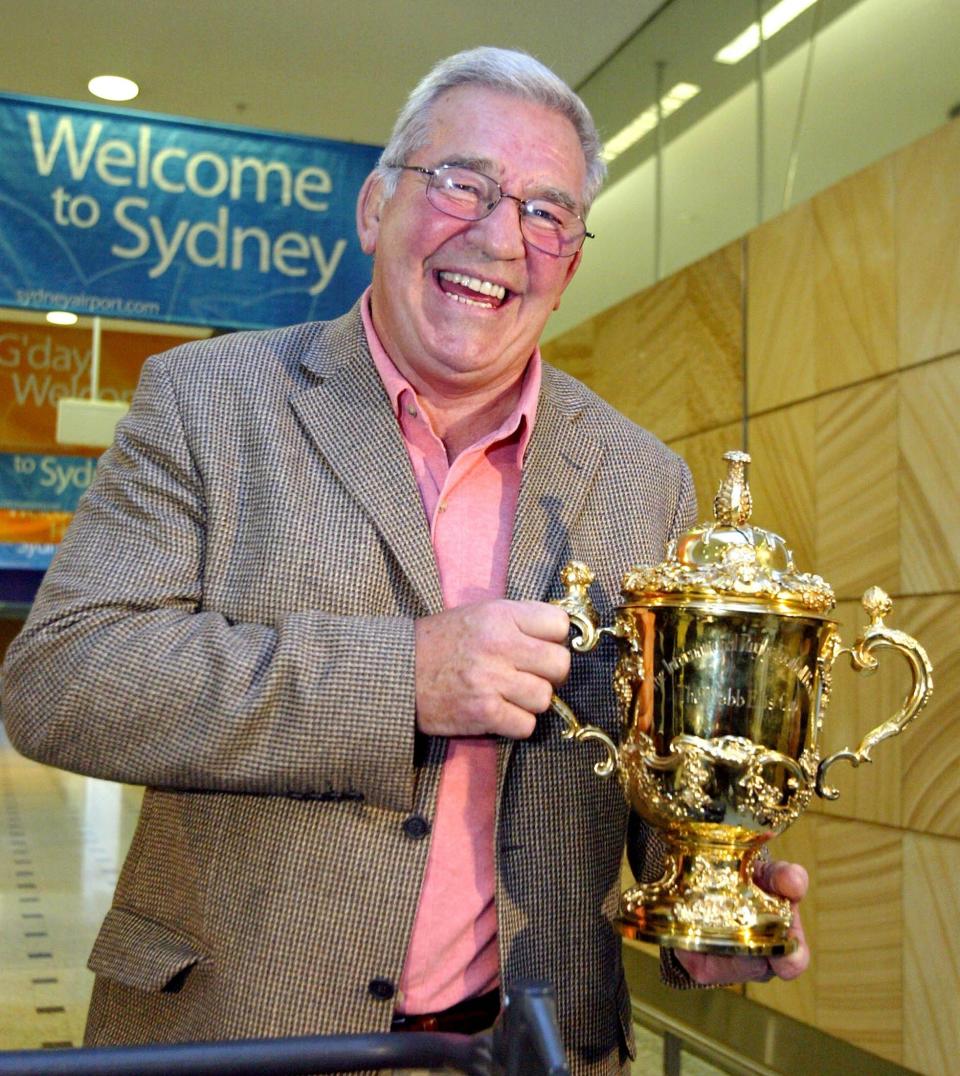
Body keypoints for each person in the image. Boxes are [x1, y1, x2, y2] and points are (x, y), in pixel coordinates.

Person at [0, 47, 808, 1075]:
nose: (499, 235)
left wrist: (702, 887)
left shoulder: (643, 478)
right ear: (375, 207)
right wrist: (405, 676)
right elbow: (63, 677)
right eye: (462, 183)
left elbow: (647, 762)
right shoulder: (206, 400)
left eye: (547, 211)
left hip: (538, 1046)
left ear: (570, 259)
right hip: (239, 1038)